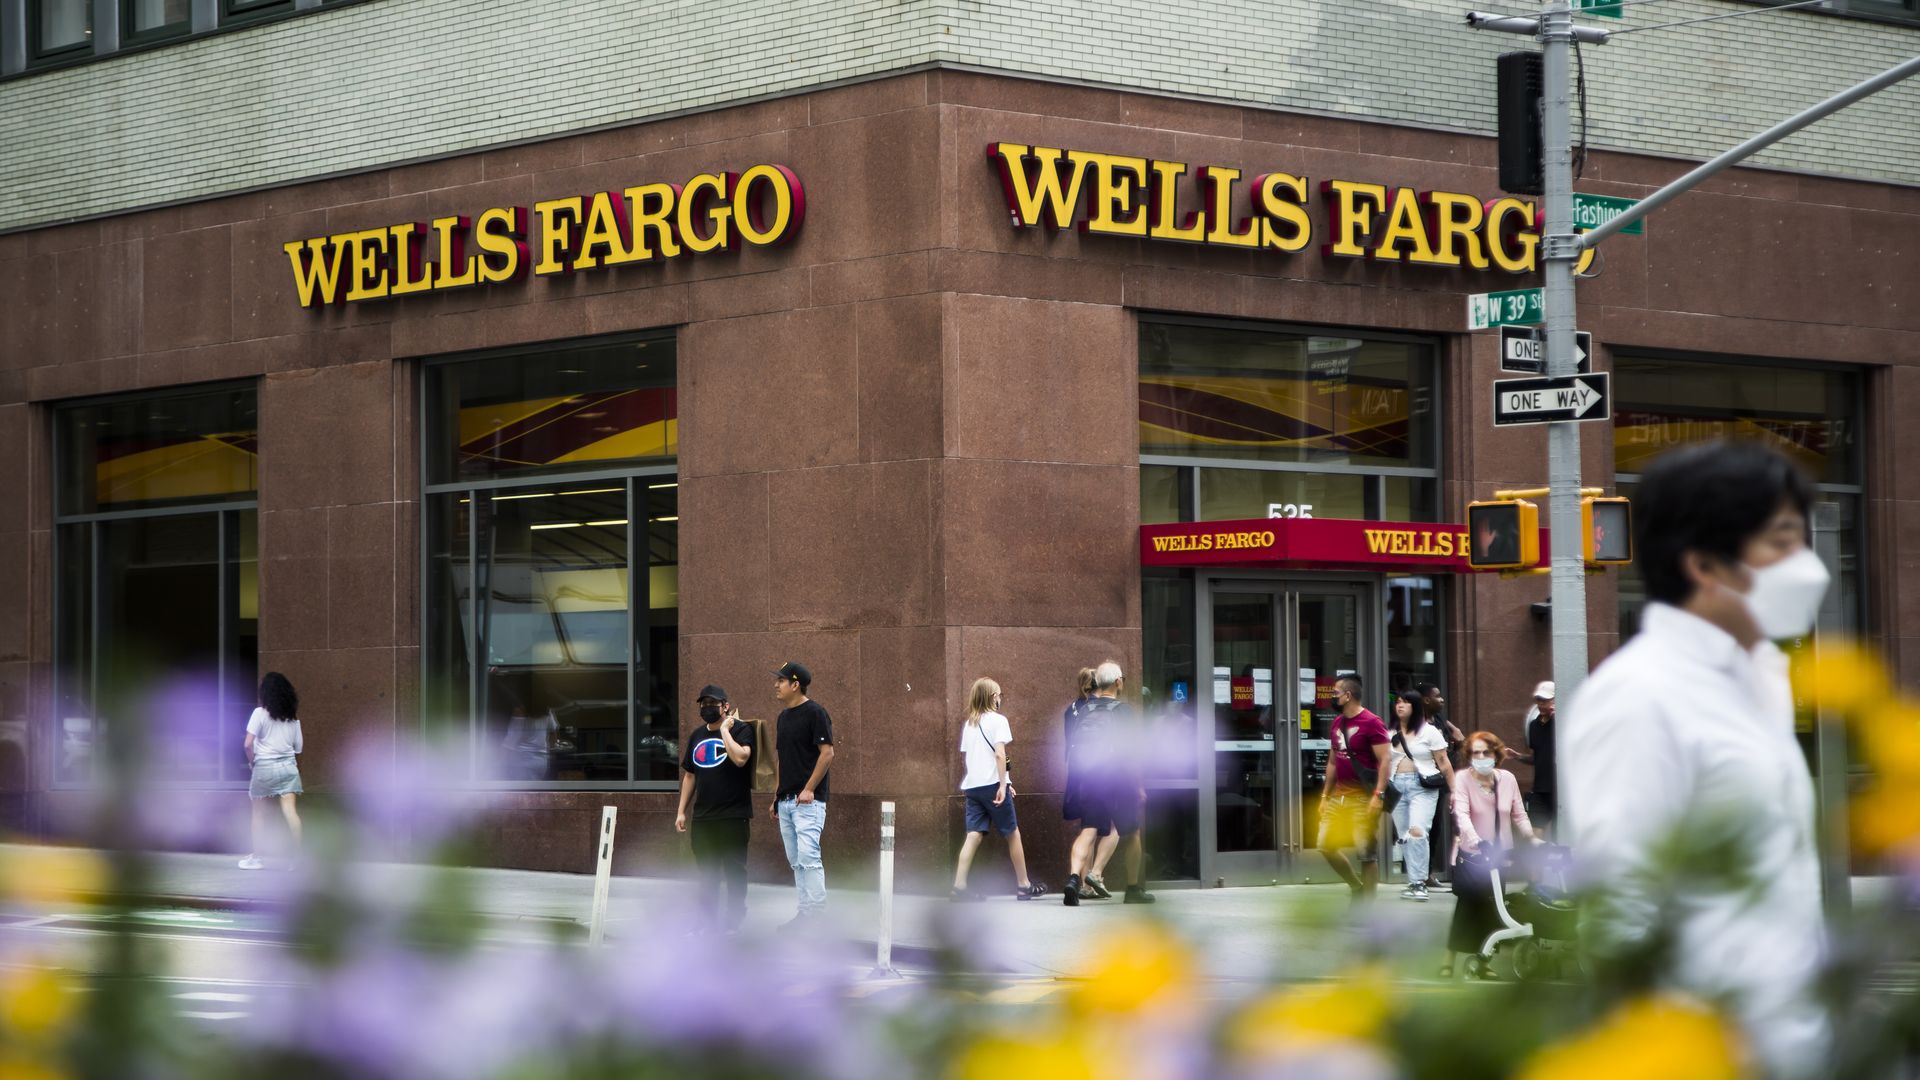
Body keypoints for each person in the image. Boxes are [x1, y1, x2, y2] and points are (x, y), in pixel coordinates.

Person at [1564, 440, 1830, 1076]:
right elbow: (1619, 910)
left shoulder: (1761, 679)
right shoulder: (1639, 696)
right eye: (1782, 541)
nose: (1807, 566)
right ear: (1706, 564)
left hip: (1795, 1044)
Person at [1444, 732, 1536, 975]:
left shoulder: (1508, 779)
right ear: (1469, 756)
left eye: (1486, 752)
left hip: (1500, 856)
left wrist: (1532, 838)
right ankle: (1448, 961)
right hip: (1473, 855)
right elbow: (1462, 814)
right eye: (1476, 753)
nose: (1481, 757)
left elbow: (1519, 814)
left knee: (1493, 908)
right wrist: (1477, 841)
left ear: (1496, 754)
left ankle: (1484, 962)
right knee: (1466, 908)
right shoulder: (1463, 779)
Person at [1063, 661, 1153, 906]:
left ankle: (1073, 879)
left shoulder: (1083, 710)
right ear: (1117, 682)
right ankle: (1133, 889)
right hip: (1118, 780)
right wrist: (1138, 786)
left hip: (1090, 779)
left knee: (1088, 830)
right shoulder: (1123, 711)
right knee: (1132, 833)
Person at [950, 678, 1047, 901]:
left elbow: (972, 758)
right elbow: (999, 755)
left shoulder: (969, 724)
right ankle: (1023, 885)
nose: (1000, 698)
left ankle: (959, 887)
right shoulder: (999, 721)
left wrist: (1006, 782)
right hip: (993, 786)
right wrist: (1003, 785)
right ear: (993, 697)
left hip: (973, 787)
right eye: (1000, 694)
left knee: (973, 835)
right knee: (1013, 833)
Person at [675, 684, 755, 932]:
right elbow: (690, 775)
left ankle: (735, 918)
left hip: (733, 815)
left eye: (713, 703)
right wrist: (681, 811)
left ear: (725, 706)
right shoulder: (696, 736)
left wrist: (724, 732)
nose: (707, 708)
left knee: (734, 871)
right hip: (704, 817)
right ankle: (706, 919)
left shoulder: (742, 729)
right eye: (703, 704)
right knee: (707, 872)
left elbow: (741, 758)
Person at [768, 661, 833, 925]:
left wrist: (808, 789)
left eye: (781, 681)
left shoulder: (816, 713)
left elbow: (827, 753)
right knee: (796, 861)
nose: (776, 685)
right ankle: (804, 915)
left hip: (808, 802)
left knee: (809, 858)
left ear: (795, 685)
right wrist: (776, 796)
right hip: (786, 801)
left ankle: (817, 918)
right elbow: (782, 759)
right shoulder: (783, 717)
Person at [1317, 674, 1389, 901]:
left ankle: (1368, 906)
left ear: (1348, 696)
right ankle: (1356, 886)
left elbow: (1385, 760)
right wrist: (1324, 796)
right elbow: (1332, 762)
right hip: (1338, 797)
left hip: (1363, 799)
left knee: (1366, 855)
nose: (1332, 697)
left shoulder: (1372, 722)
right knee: (1325, 845)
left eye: (1335, 693)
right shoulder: (1337, 723)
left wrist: (1378, 795)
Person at [1386, 690, 1453, 902]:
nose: (1400, 705)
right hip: (1396, 786)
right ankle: (1414, 881)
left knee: (1418, 831)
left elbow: (1444, 763)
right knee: (1404, 835)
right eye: (1398, 702)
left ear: (1415, 706)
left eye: (1405, 702)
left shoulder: (1429, 732)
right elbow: (1383, 763)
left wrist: (1455, 792)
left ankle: (1419, 882)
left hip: (1422, 787)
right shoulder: (1391, 733)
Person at [1062, 666, 1121, 900]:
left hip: (1077, 775)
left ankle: (1082, 884)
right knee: (1115, 826)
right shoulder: (1100, 708)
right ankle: (1094, 875)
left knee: (1088, 828)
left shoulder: (1072, 708)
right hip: (1104, 774)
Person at [239, 672, 303, 871]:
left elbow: (247, 744)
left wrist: (252, 762)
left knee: (259, 814)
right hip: (288, 767)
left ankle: (257, 858)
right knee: (291, 812)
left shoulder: (259, 713)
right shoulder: (293, 720)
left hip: (264, 767)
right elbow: (298, 748)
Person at [1417, 681, 1463, 889]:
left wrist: (1458, 739)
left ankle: (1427, 873)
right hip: (1419, 782)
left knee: (1435, 827)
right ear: (1426, 700)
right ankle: (1418, 874)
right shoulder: (1415, 724)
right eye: (1437, 696)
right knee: (1419, 829)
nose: (1442, 699)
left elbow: (1452, 747)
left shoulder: (1439, 721)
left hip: (1437, 782)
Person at [1501, 682, 1557, 837]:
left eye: (1545, 700)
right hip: (1540, 789)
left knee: (1560, 833)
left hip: (1560, 788)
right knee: (1534, 834)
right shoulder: (1534, 726)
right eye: (1539, 700)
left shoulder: (1561, 722)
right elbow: (1537, 757)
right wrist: (1517, 756)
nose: (1541, 704)